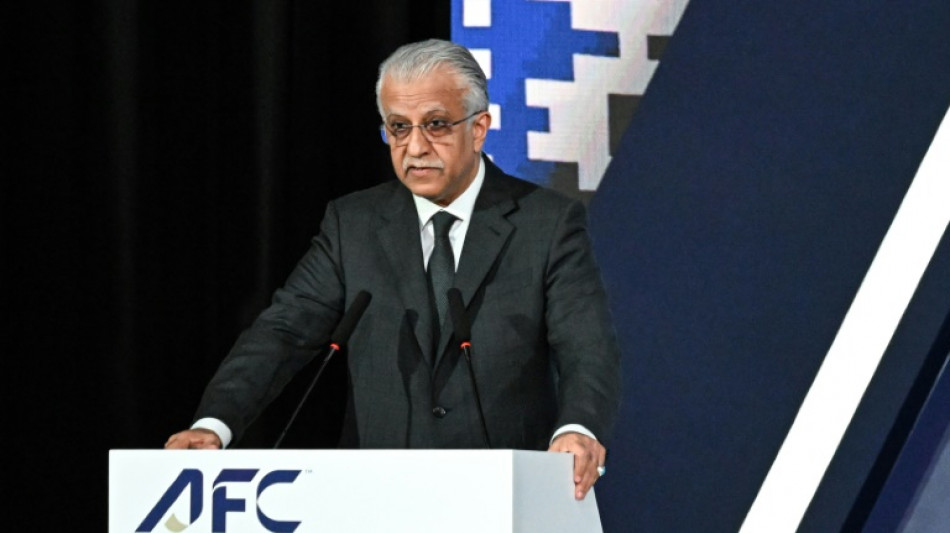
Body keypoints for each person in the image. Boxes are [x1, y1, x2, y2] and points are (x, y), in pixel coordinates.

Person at [165, 38, 622, 500]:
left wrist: (578, 427)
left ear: (479, 128)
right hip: (373, 495)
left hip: (506, 495)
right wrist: (215, 423)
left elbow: (586, 345)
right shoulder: (353, 224)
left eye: (436, 124)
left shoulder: (547, 223)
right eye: (399, 127)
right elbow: (283, 332)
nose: (415, 147)